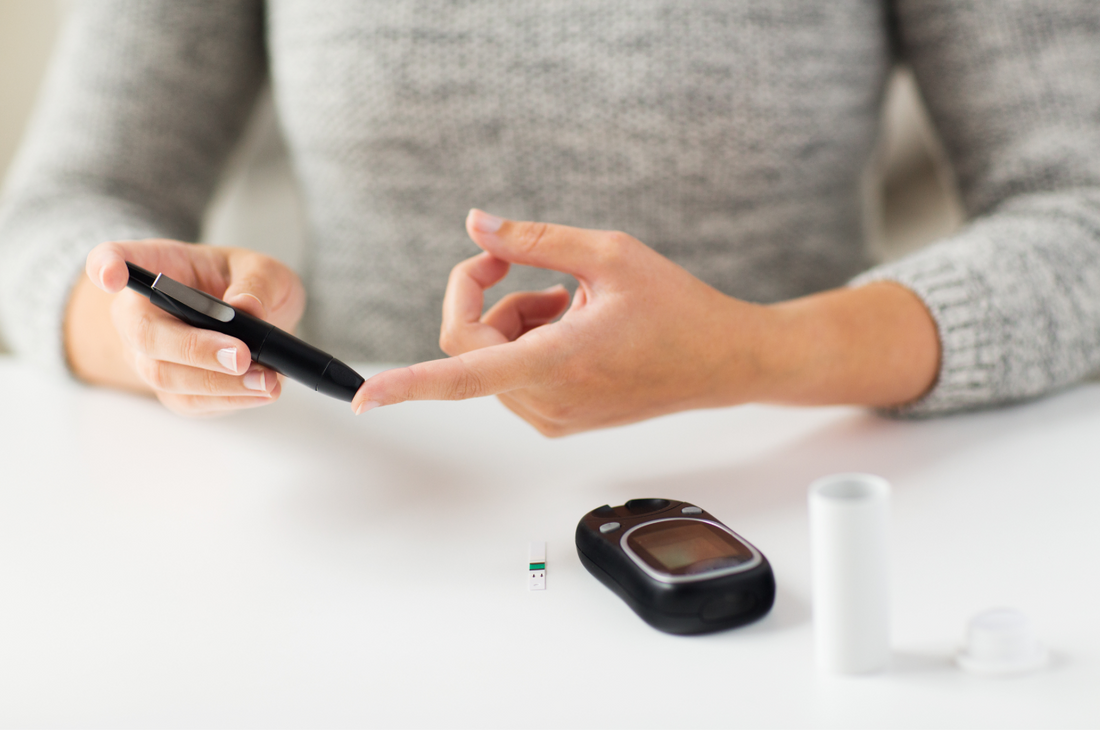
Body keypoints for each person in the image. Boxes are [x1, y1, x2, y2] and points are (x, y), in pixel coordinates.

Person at [1, 1, 1098, 436]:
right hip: (374, 502)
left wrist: (759, 352)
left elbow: (1078, 207)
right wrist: (140, 334)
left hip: (787, 486)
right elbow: (57, 211)